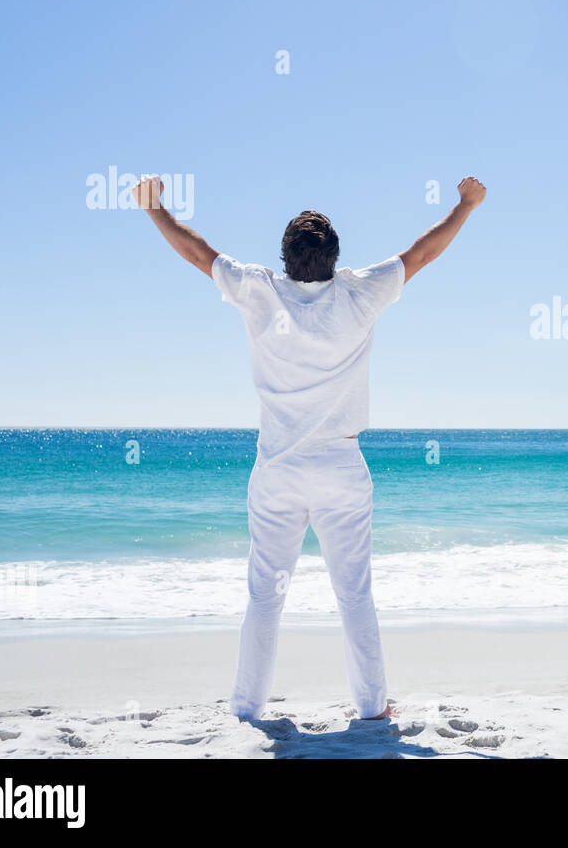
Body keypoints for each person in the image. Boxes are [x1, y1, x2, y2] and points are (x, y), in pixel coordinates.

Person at [134, 174, 487, 719]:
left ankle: (247, 708)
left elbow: (196, 252)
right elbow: (422, 255)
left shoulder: (259, 290)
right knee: (354, 595)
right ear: (334, 258)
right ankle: (371, 709)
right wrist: (464, 206)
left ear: (284, 258)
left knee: (266, 596)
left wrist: (155, 209)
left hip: (277, 469)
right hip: (340, 468)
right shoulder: (359, 292)